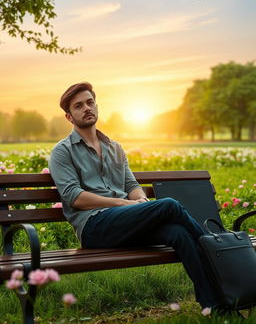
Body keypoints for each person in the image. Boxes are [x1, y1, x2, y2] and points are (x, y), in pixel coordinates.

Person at [48, 82, 227, 314]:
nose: (86, 108)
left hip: (126, 221)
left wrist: (140, 199)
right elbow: (74, 197)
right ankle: (220, 254)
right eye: (78, 106)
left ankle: (214, 305)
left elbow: (131, 185)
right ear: (69, 116)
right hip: (95, 227)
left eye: (90, 102)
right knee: (170, 206)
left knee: (178, 233)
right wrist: (125, 203)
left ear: (97, 105)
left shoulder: (114, 147)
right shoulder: (63, 151)